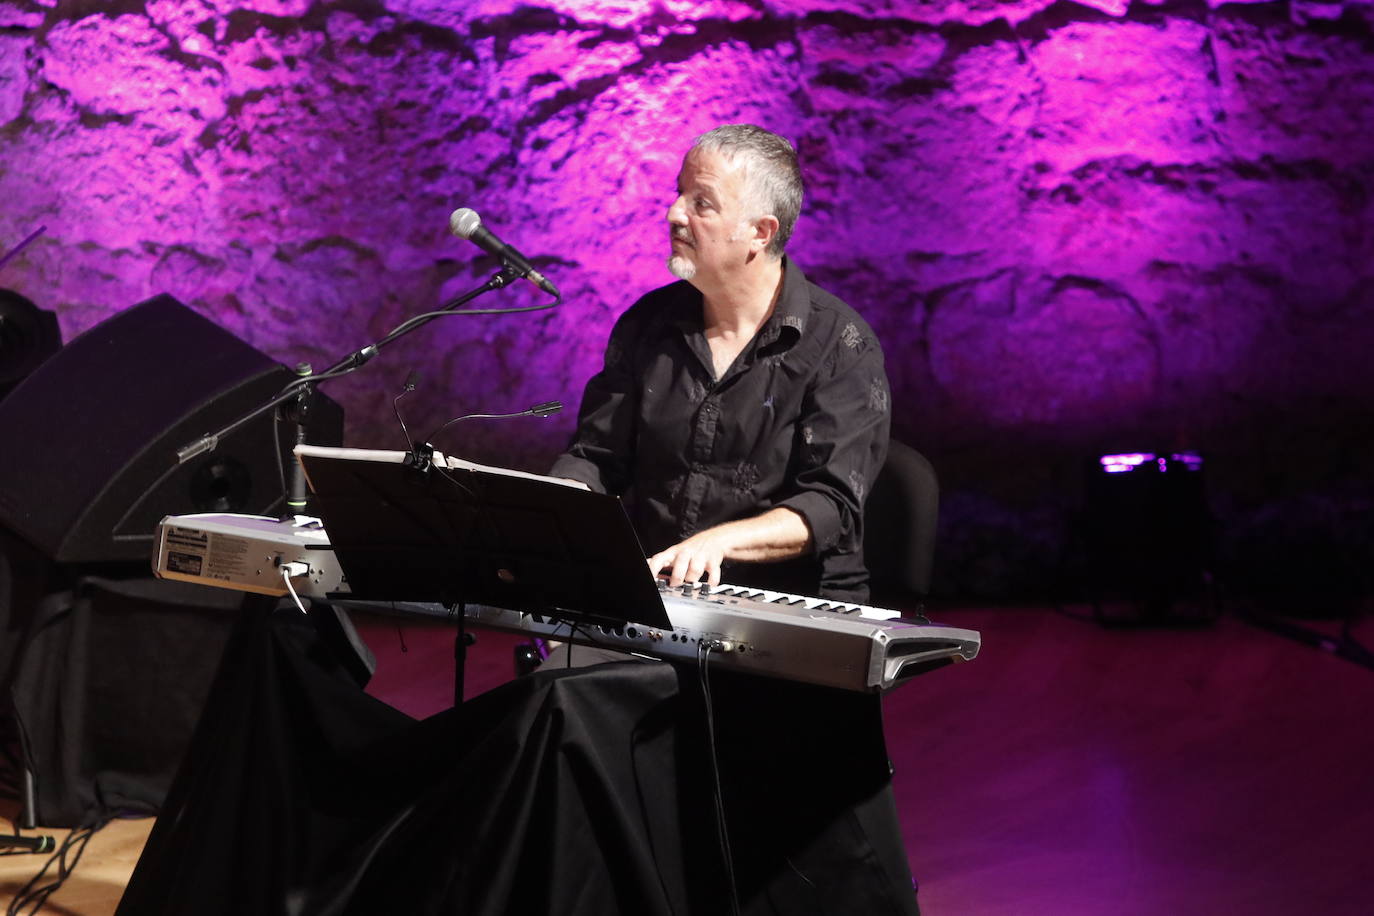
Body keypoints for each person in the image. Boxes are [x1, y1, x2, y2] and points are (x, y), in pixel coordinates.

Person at [550, 124, 890, 603]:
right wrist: (556, 502)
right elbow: (597, 457)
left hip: (791, 605)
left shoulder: (841, 344)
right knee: (556, 679)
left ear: (759, 231)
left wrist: (720, 540)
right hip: (663, 595)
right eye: (679, 194)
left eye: (701, 203)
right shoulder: (648, 326)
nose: (674, 214)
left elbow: (832, 505)